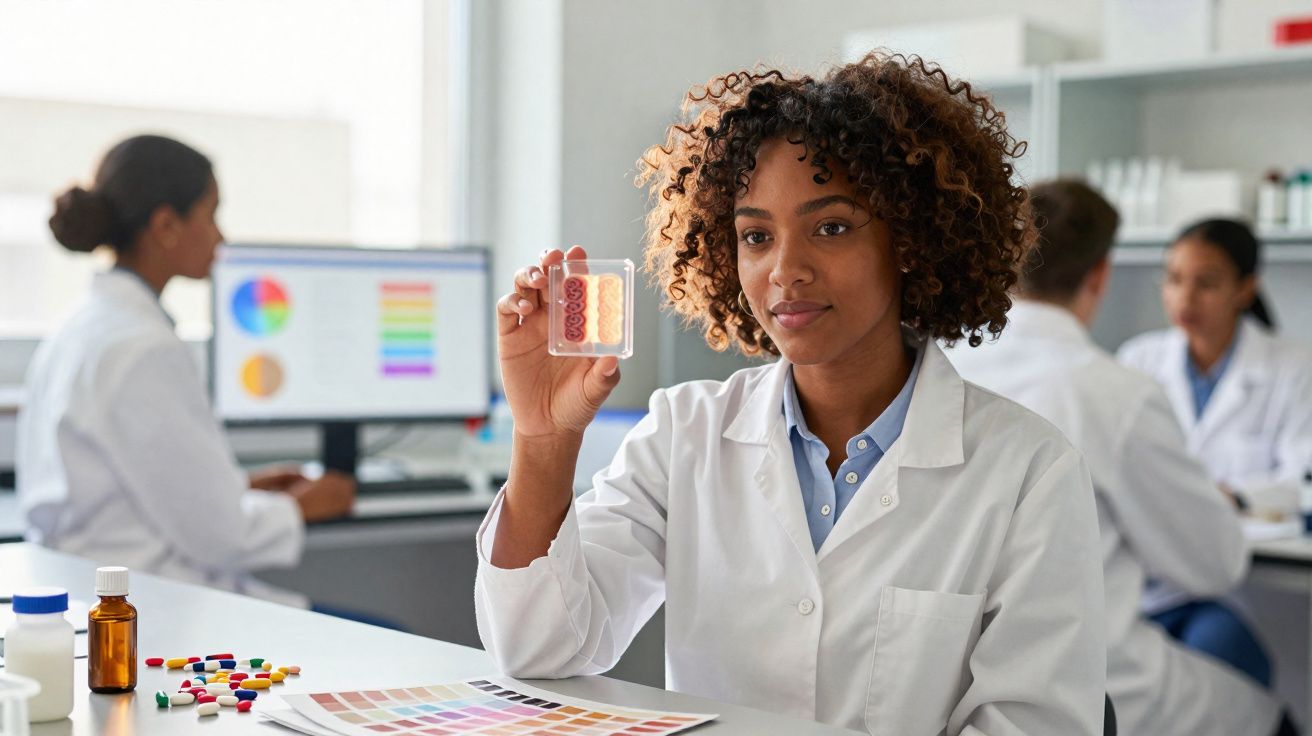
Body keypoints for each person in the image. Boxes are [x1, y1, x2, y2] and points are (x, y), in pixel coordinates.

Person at [474, 53, 1107, 735]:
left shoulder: (1029, 472)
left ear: (910, 240)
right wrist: (544, 437)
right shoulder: (685, 434)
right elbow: (539, 651)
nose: (785, 271)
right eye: (755, 236)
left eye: (830, 227)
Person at [947, 180, 1293, 736]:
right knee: (1268, 714)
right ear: (1100, 275)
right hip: (1092, 681)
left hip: (954, 673)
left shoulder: (946, 368)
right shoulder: (1114, 392)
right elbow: (1215, 564)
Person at [17, 134, 355, 607]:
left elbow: (125, 493)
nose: (221, 237)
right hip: (162, 612)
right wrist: (306, 505)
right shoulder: (143, 349)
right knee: (394, 637)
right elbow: (221, 538)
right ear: (166, 225)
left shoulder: (84, 326)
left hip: (99, 594)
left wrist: (237, 486)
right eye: (211, 214)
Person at [1118, 219, 1312, 681]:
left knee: (1223, 657)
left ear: (1246, 289)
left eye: (1206, 283)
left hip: (1248, 582)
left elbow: (1301, 478)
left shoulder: (1295, 367)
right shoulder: (1138, 360)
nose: (1184, 299)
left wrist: (1235, 496)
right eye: (1174, 279)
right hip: (1149, 576)